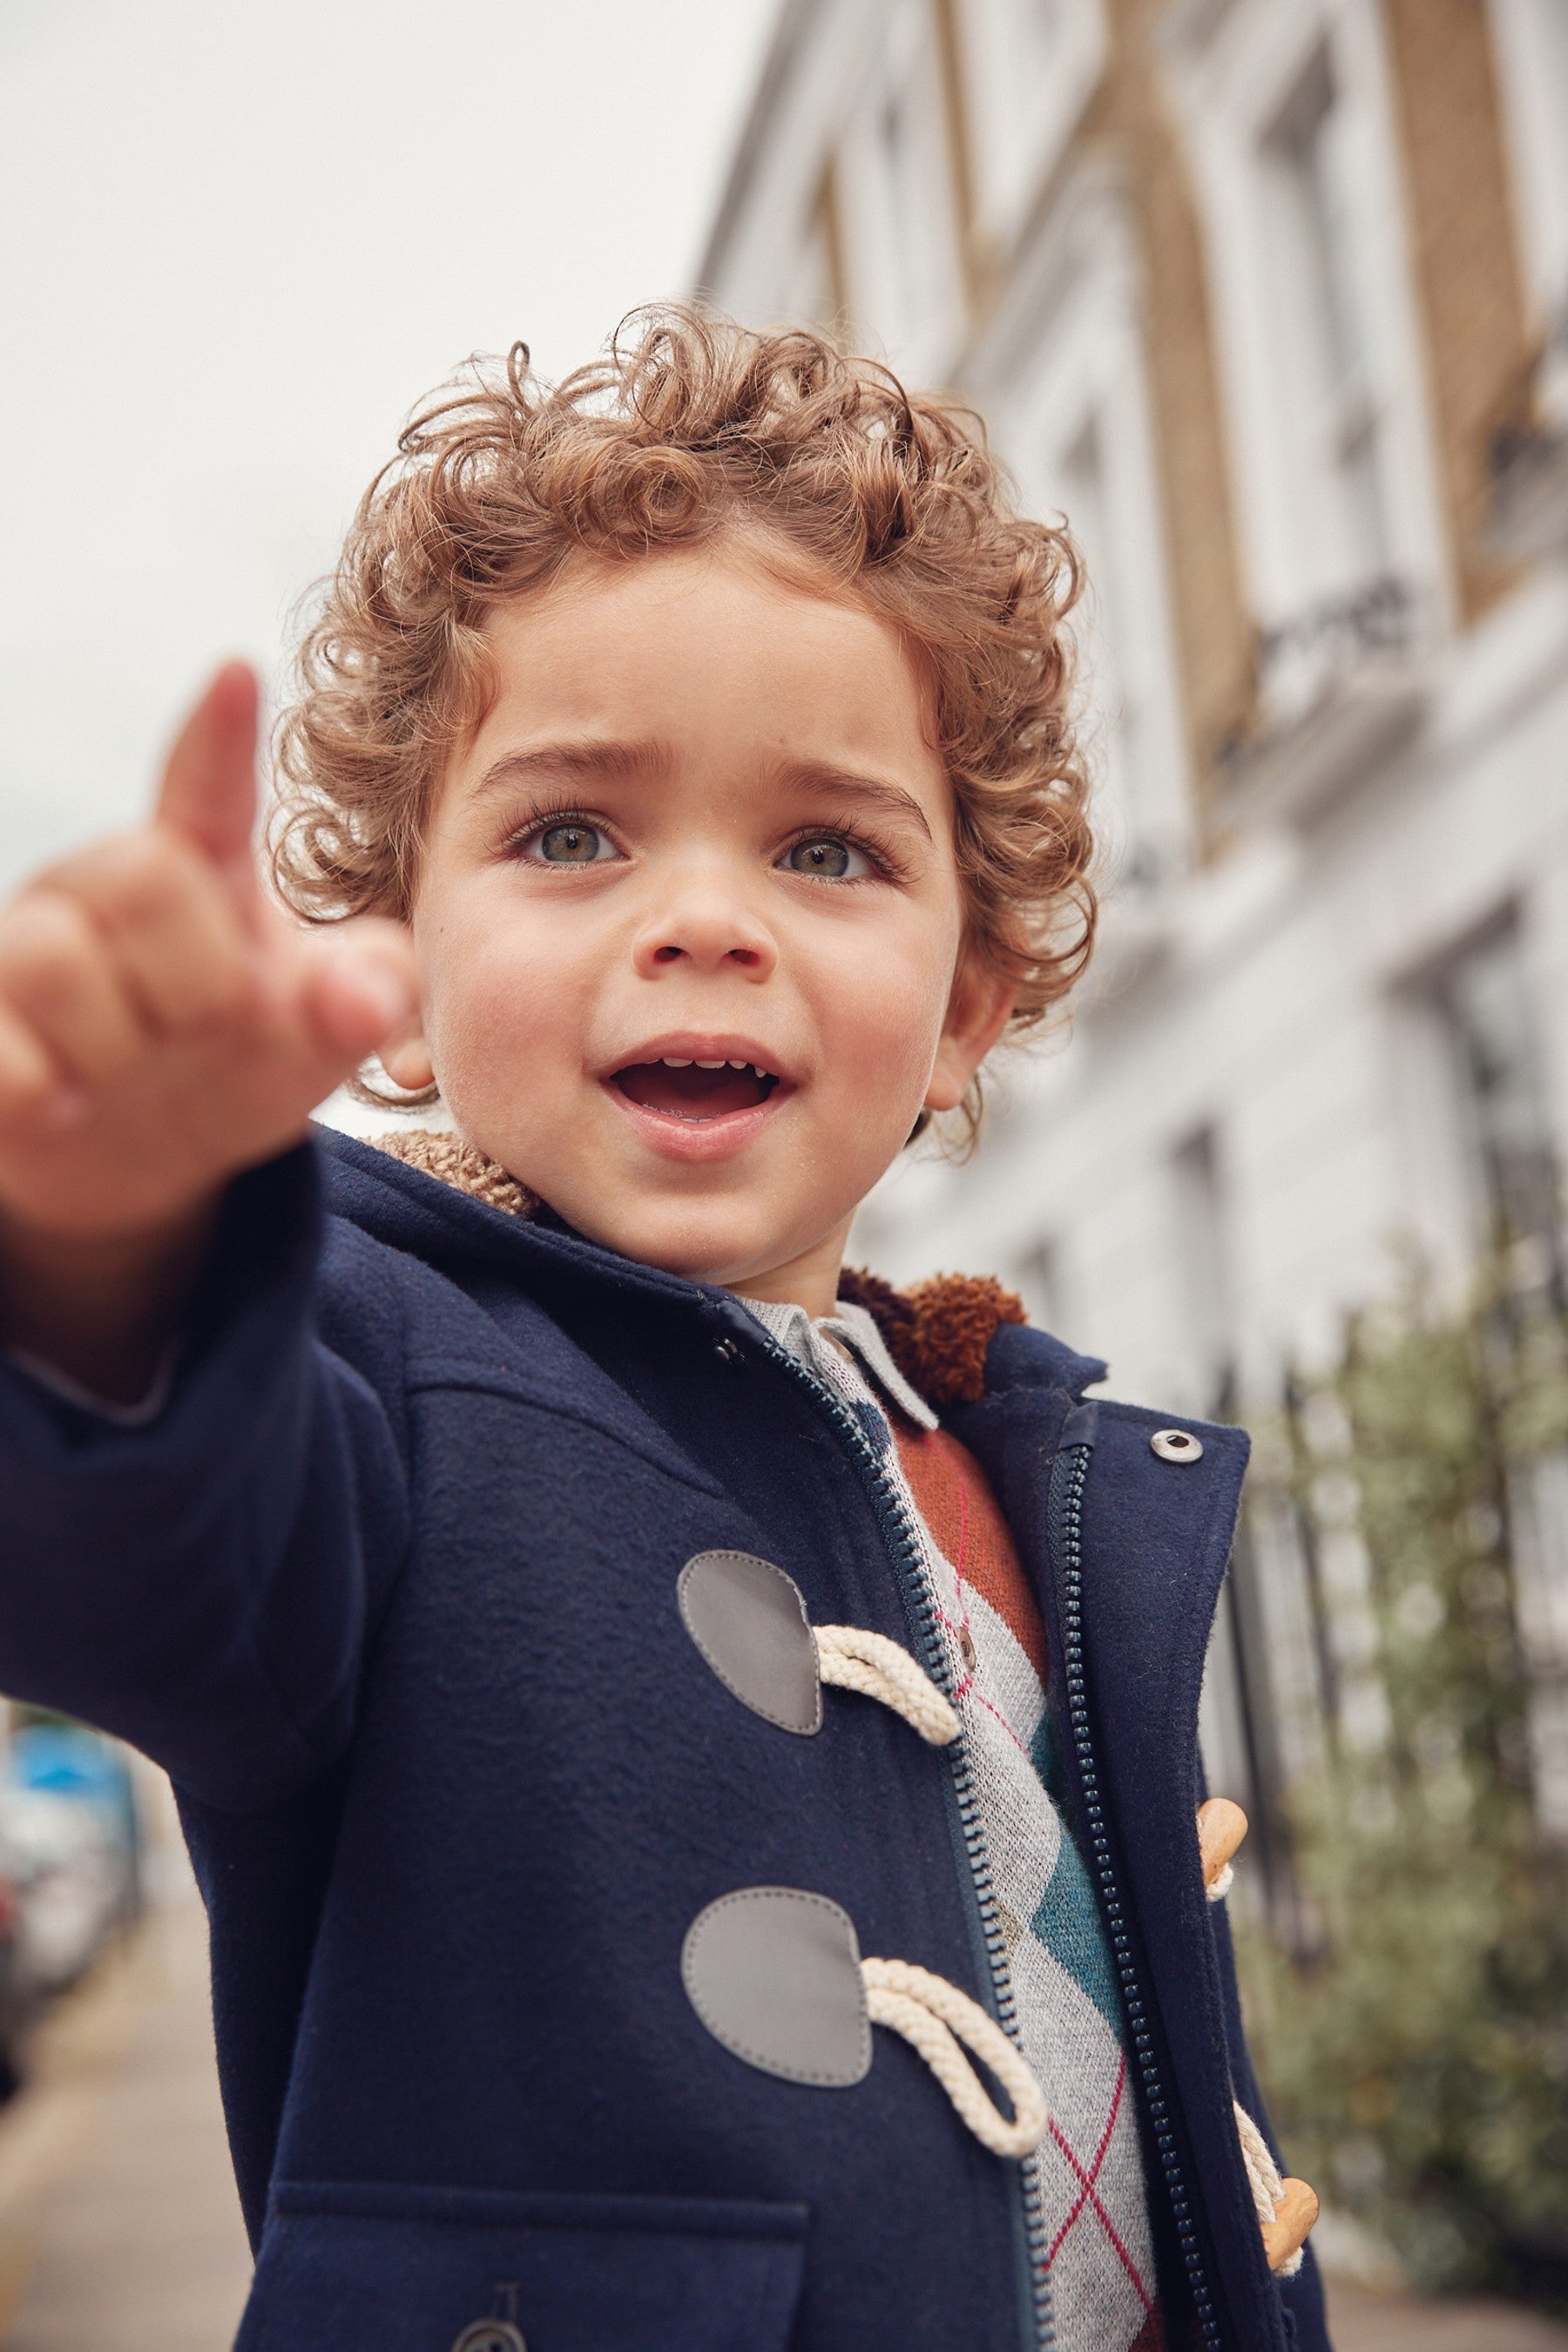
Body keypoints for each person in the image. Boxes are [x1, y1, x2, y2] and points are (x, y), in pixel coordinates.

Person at [0, 311, 1327, 2352]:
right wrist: (104, 1250)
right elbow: (141, 1536)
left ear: (964, 1003)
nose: (702, 917)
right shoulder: (370, 1370)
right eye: (569, 835)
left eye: (826, 849)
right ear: (409, 976)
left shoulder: (1025, 1465)